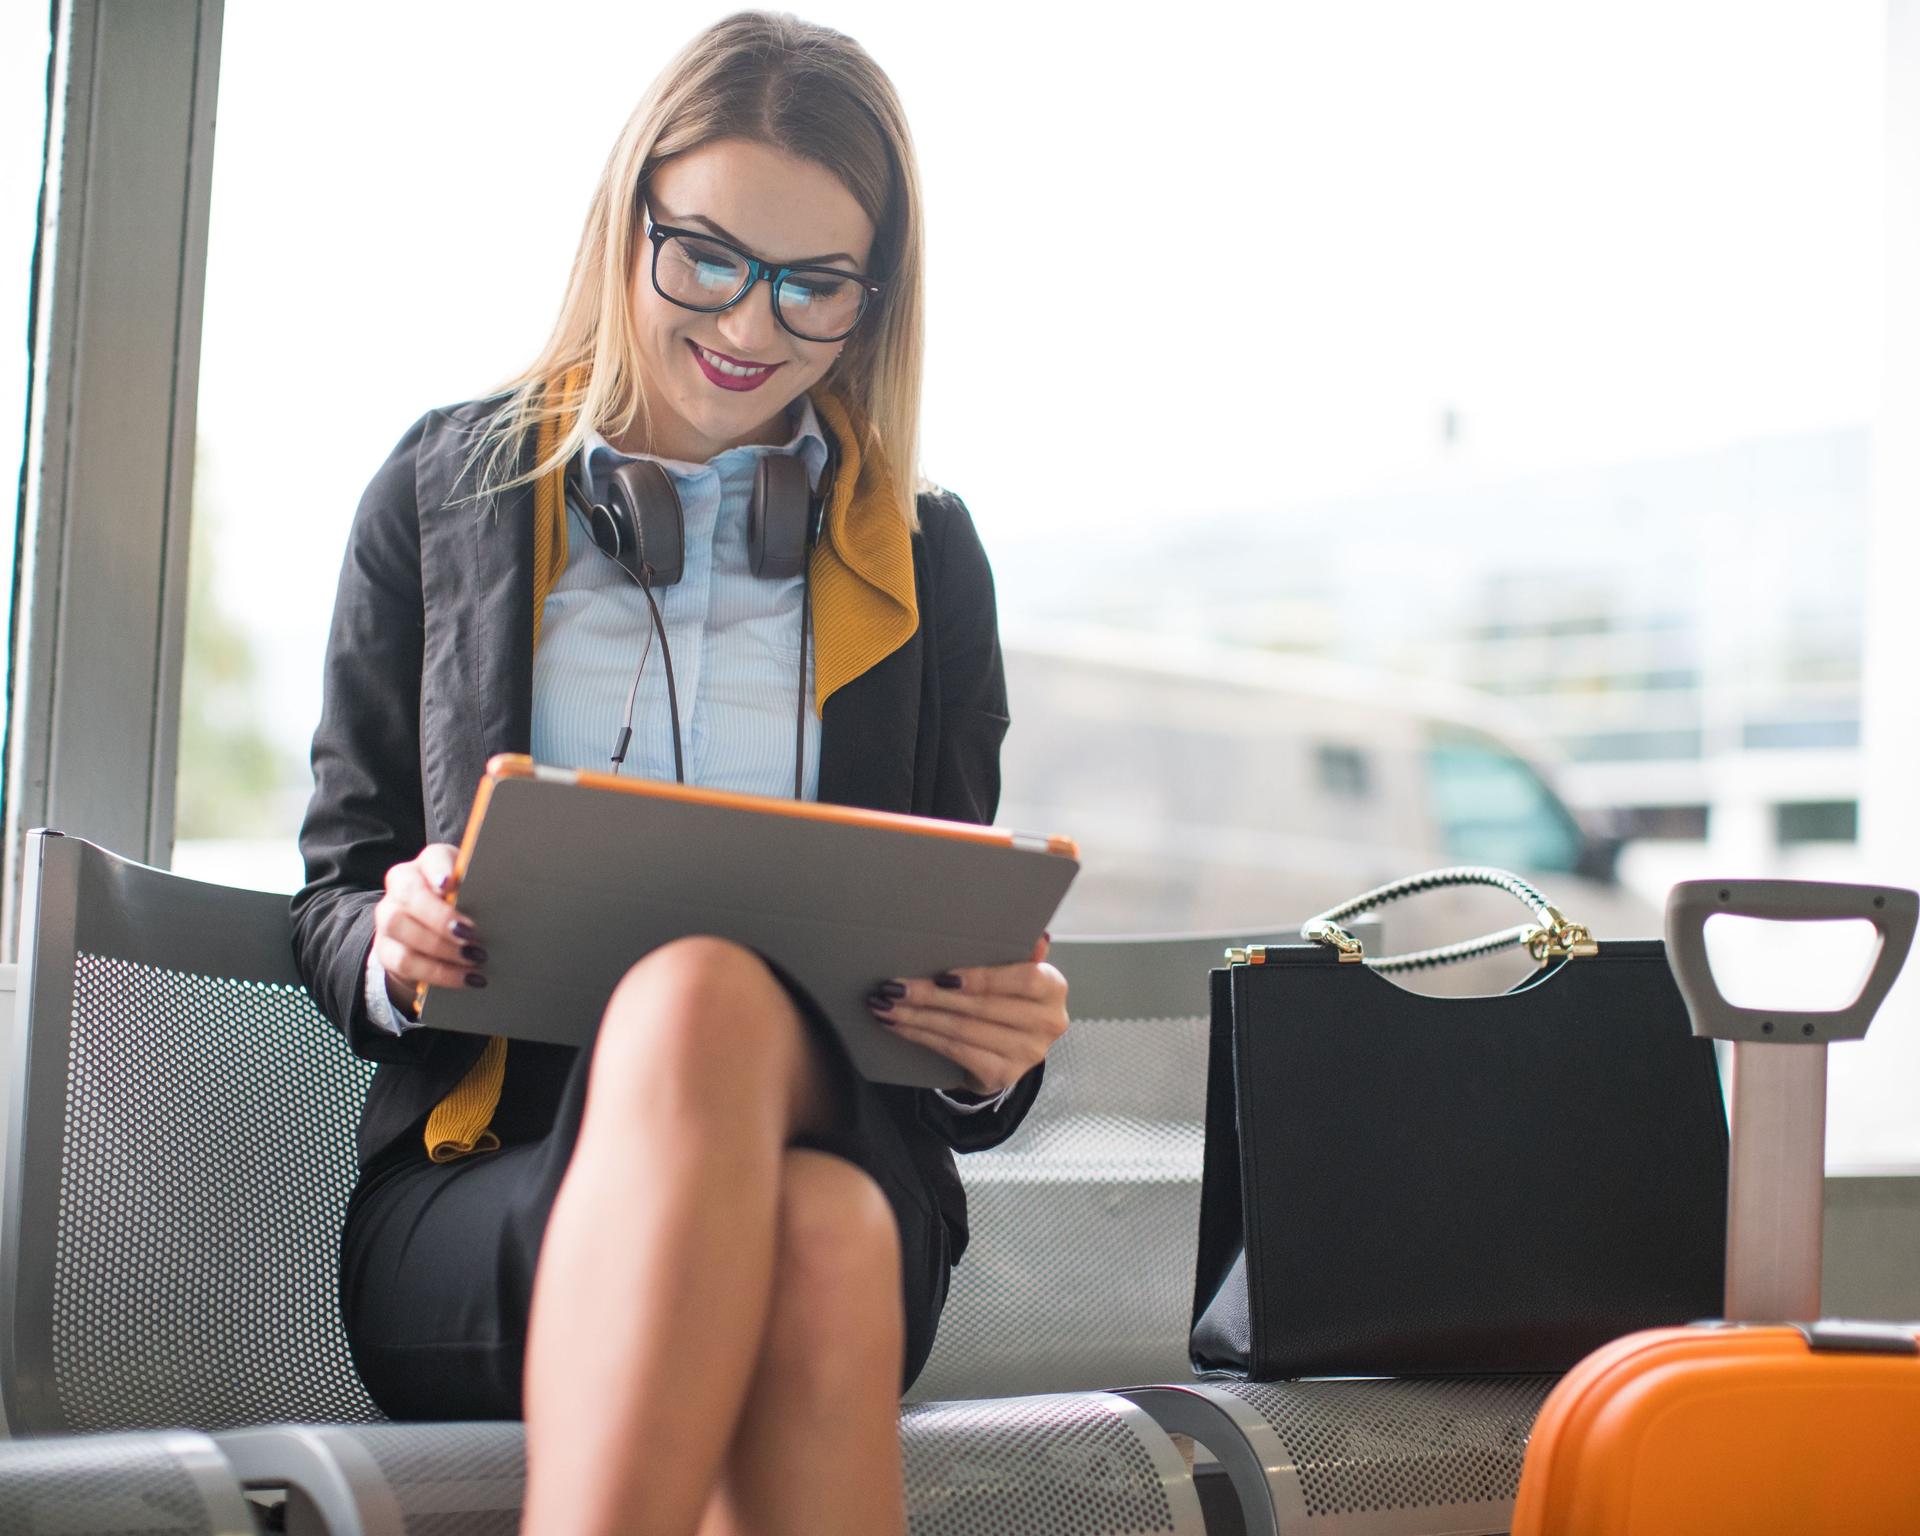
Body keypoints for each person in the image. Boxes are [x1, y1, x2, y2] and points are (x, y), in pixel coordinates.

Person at [289, 12, 1070, 1534]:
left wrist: (999, 1042)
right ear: (626, 220)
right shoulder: (442, 498)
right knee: (819, 1235)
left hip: (832, 1127)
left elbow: (941, 943)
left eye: (815, 283)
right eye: (706, 255)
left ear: (874, 296)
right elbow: (330, 891)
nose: (753, 323)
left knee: (737, 1048)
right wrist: (386, 942)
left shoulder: (923, 557)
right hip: (488, 1194)